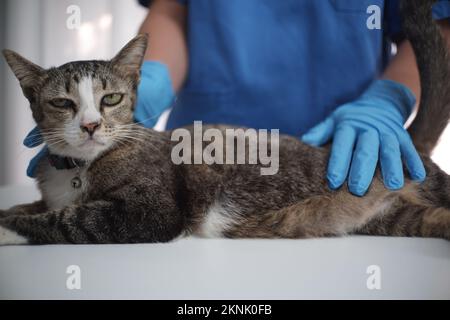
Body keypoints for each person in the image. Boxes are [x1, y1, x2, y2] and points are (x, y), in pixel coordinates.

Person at [25, 0, 450, 196]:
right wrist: (143, 83)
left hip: (343, 151)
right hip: (199, 162)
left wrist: (387, 99)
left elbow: (434, 26)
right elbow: (173, 9)